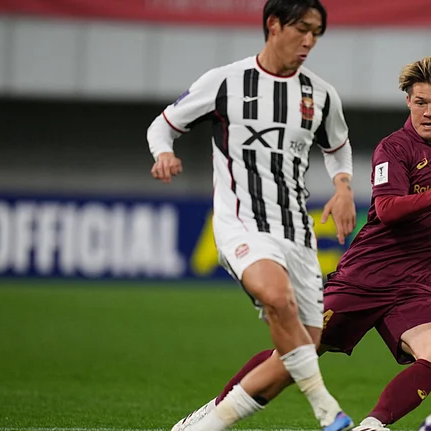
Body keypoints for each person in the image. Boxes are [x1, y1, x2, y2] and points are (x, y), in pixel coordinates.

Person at [170, 56, 431, 431]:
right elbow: (387, 210)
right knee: (295, 353)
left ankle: (371, 426)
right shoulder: (394, 149)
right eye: (420, 102)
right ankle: (210, 415)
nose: (428, 111)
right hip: (364, 278)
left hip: (415, 287)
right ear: (408, 101)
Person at [145, 1, 356, 430]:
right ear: (273, 25)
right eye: (302, 29)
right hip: (241, 223)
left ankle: (205, 426)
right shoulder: (224, 81)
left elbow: (337, 148)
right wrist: (163, 151)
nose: (310, 41)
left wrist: (344, 187)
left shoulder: (321, 94)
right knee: (277, 298)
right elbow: (162, 125)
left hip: (297, 232)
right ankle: (326, 410)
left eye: (317, 32)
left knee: (303, 350)